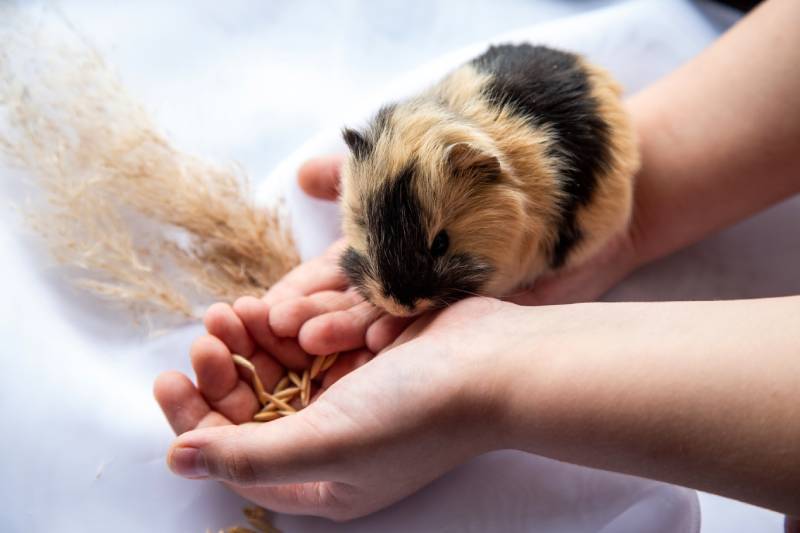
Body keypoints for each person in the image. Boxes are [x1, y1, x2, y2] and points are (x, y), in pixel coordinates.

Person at [154, 0, 800, 521]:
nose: (398, 299)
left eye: (435, 246)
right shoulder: (384, 146)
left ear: (486, 176)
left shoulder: (493, 180)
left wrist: (495, 376)